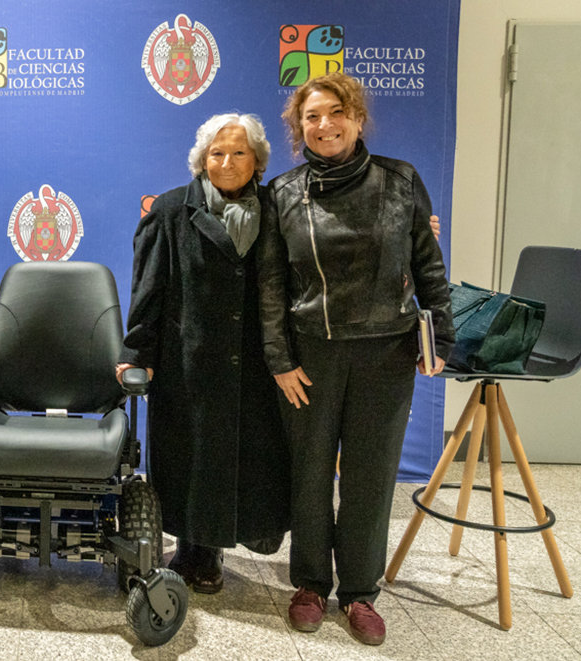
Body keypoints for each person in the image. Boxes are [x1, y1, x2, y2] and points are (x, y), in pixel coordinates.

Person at [257, 71, 454, 645]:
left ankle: (361, 592)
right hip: (309, 358)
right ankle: (312, 584)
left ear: (357, 118)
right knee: (311, 475)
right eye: (311, 117)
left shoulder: (402, 181)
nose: (325, 125)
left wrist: (437, 337)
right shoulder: (283, 194)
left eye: (335, 112)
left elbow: (429, 267)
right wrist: (278, 359)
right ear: (299, 129)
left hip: (387, 355)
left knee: (370, 479)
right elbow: (271, 286)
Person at [118, 114, 291, 595]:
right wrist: (137, 353)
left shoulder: (280, 210)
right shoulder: (171, 211)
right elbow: (147, 291)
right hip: (190, 363)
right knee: (193, 460)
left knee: (248, 460)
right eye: (217, 153)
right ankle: (195, 550)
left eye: (239, 152)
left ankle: (227, 543)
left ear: (257, 160)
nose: (227, 162)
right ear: (201, 160)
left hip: (259, 364)